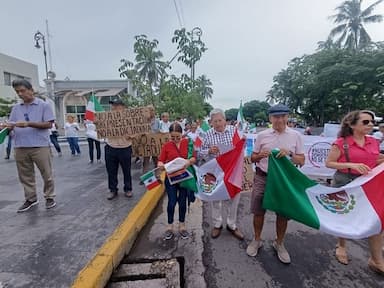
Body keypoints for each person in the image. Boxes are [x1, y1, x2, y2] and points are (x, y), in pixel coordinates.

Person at [325, 110, 384, 274]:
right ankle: (341, 246)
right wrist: (350, 165)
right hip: (345, 182)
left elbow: (374, 159)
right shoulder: (341, 143)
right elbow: (329, 163)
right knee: (344, 217)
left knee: (376, 219)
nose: (371, 124)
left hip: (368, 185)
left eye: (372, 122)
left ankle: (377, 260)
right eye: (366, 122)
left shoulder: (373, 142)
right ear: (351, 125)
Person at [246, 103, 305, 264]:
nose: (279, 120)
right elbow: (252, 157)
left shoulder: (296, 136)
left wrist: (290, 154)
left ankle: (279, 243)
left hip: (284, 179)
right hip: (263, 176)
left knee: (283, 213)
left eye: (282, 116)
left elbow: (302, 160)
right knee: (258, 210)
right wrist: (260, 156)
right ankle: (256, 240)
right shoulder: (262, 135)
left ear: (287, 117)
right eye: (276, 117)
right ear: (270, 118)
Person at [3, 79, 56, 212]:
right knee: (25, 175)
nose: (20, 94)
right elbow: (12, 124)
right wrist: (7, 126)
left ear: (31, 90)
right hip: (20, 146)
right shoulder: (16, 108)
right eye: (17, 92)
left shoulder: (43, 105)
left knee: (47, 173)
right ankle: (31, 198)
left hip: (39, 145)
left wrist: (29, 124)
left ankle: (49, 197)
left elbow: (49, 124)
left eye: (23, 90)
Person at [200, 108, 244, 240]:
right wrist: (208, 151)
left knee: (234, 197)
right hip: (215, 170)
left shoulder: (233, 131)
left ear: (225, 120)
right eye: (215, 121)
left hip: (232, 170)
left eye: (220, 120)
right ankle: (217, 224)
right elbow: (199, 152)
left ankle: (232, 224)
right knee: (215, 199)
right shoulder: (207, 134)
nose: (218, 123)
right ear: (211, 122)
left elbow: (241, 147)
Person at [158, 122, 196, 240]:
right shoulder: (167, 146)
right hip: (171, 178)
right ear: (169, 135)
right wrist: (161, 165)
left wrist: (188, 162)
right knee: (171, 202)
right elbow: (160, 160)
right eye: (172, 137)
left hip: (184, 177)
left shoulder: (188, 143)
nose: (175, 139)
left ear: (182, 134)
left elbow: (194, 157)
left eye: (177, 137)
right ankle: (169, 227)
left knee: (182, 202)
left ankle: (182, 226)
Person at [104, 99, 133, 199]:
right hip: (110, 147)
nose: (114, 108)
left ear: (123, 107)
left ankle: (128, 189)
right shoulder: (107, 118)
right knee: (111, 171)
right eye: (113, 106)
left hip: (125, 147)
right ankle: (113, 190)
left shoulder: (131, 118)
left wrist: (132, 136)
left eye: (116, 106)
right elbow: (100, 129)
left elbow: (137, 130)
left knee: (127, 170)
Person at [141, 105, 160, 182]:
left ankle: (157, 176)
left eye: (152, 110)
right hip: (146, 145)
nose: (151, 112)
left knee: (156, 161)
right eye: (149, 110)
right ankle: (145, 178)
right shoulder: (143, 121)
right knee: (146, 161)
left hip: (155, 145)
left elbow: (159, 132)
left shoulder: (157, 121)